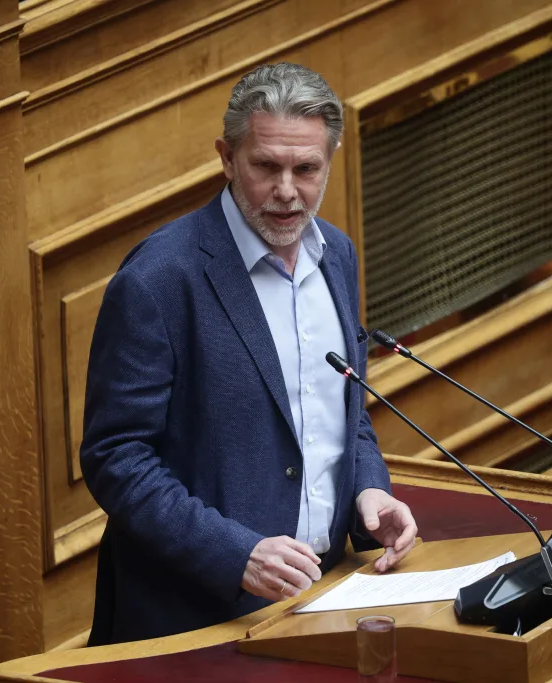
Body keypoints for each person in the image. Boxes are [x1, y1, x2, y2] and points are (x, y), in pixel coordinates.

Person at [80, 62, 419, 646]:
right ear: (227, 158)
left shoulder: (336, 256)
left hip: (324, 594)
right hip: (194, 619)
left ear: (330, 161)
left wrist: (369, 490)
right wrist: (235, 553)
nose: (286, 191)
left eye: (306, 169)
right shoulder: (159, 279)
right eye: (266, 166)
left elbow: (341, 412)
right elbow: (116, 457)